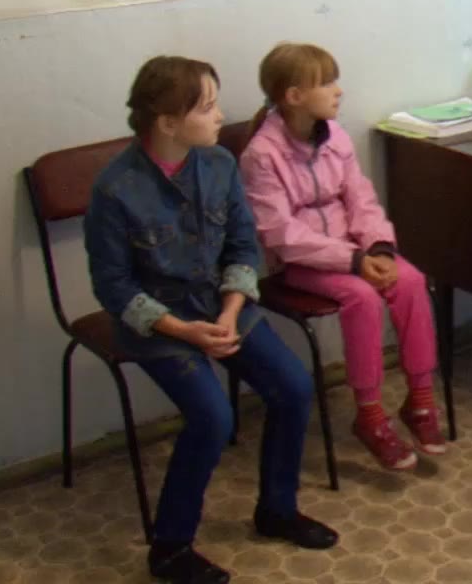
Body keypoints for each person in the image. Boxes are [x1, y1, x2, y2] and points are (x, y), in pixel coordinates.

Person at [85, 56, 338, 584]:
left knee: (294, 388)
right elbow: (114, 287)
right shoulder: (115, 189)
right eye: (207, 107)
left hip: (222, 308)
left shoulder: (220, 164)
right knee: (213, 417)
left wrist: (230, 310)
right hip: (159, 325)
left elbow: (243, 246)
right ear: (167, 122)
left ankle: (277, 509)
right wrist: (183, 331)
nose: (221, 115)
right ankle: (170, 548)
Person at [239, 42, 445, 472]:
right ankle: (369, 415)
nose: (339, 91)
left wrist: (379, 247)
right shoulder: (261, 155)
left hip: (356, 250)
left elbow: (360, 199)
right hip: (301, 263)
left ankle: (421, 400)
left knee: (409, 279)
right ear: (294, 96)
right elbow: (280, 233)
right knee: (362, 297)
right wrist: (352, 261)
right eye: (327, 82)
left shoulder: (335, 135)